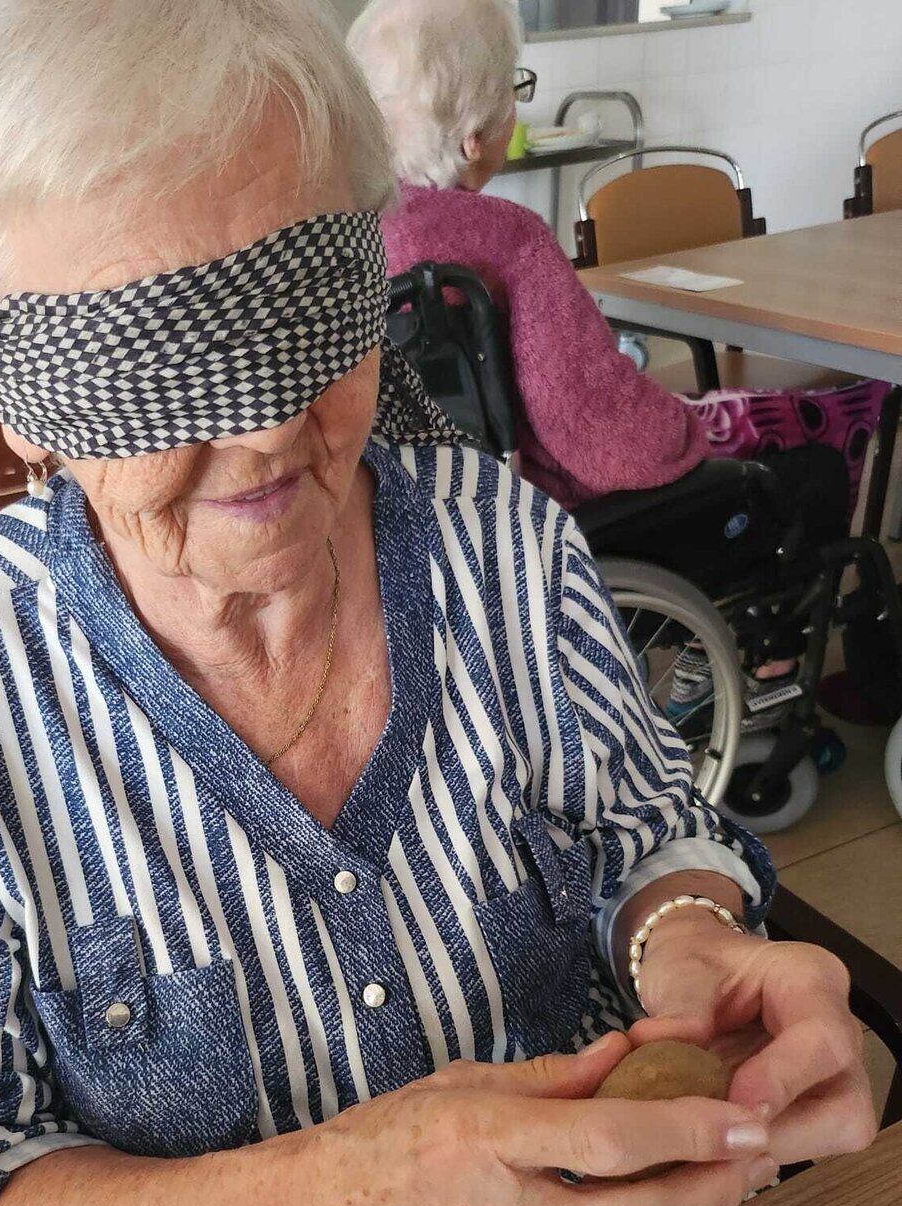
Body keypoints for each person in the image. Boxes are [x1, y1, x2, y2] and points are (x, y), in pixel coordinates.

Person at [0, 0, 874, 1206]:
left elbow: (642, 829)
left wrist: (691, 939)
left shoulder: (499, 541)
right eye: (156, 368)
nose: (262, 429)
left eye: (303, 317)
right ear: (18, 405)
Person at [348, 0, 891, 703]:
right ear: (476, 137)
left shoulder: (354, 232)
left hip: (435, 525)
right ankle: (772, 672)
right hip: (557, 519)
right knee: (813, 453)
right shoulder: (507, 239)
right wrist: (687, 425)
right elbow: (607, 438)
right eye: (514, 88)